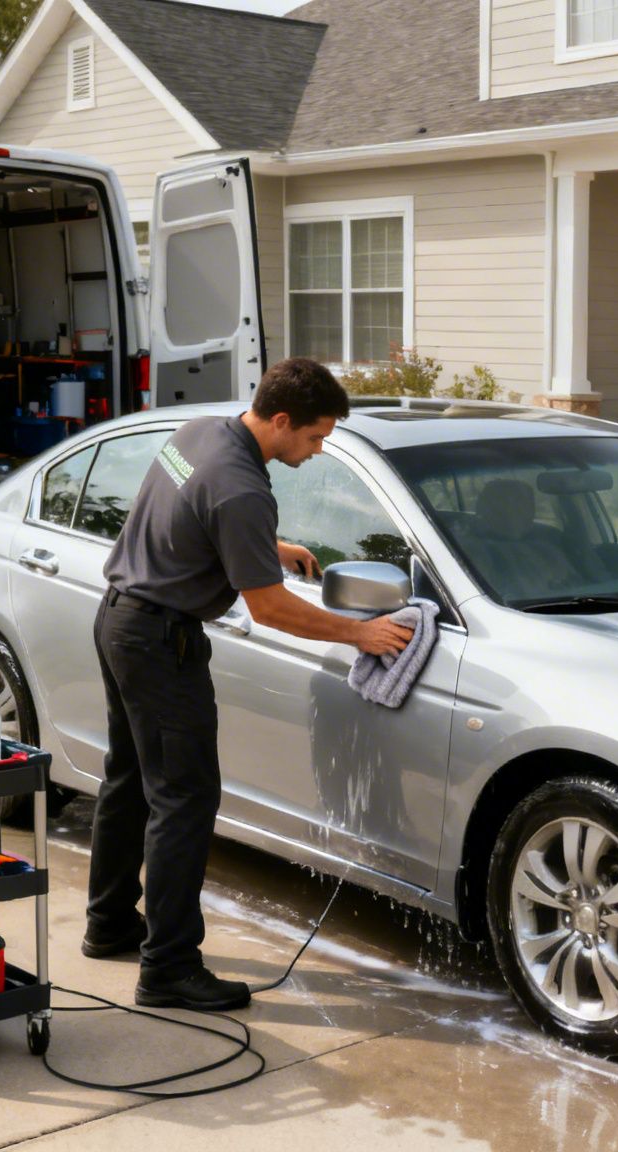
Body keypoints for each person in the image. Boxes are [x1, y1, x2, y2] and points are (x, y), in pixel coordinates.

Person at [82, 357, 413, 1012]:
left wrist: (266, 543)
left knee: (131, 781)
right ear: (282, 420)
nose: (317, 452)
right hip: (161, 644)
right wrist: (361, 635)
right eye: (315, 438)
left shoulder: (203, 433)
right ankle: (169, 968)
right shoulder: (241, 489)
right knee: (185, 801)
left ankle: (110, 922)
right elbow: (271, 609)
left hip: (120, 619)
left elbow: (192, 509)